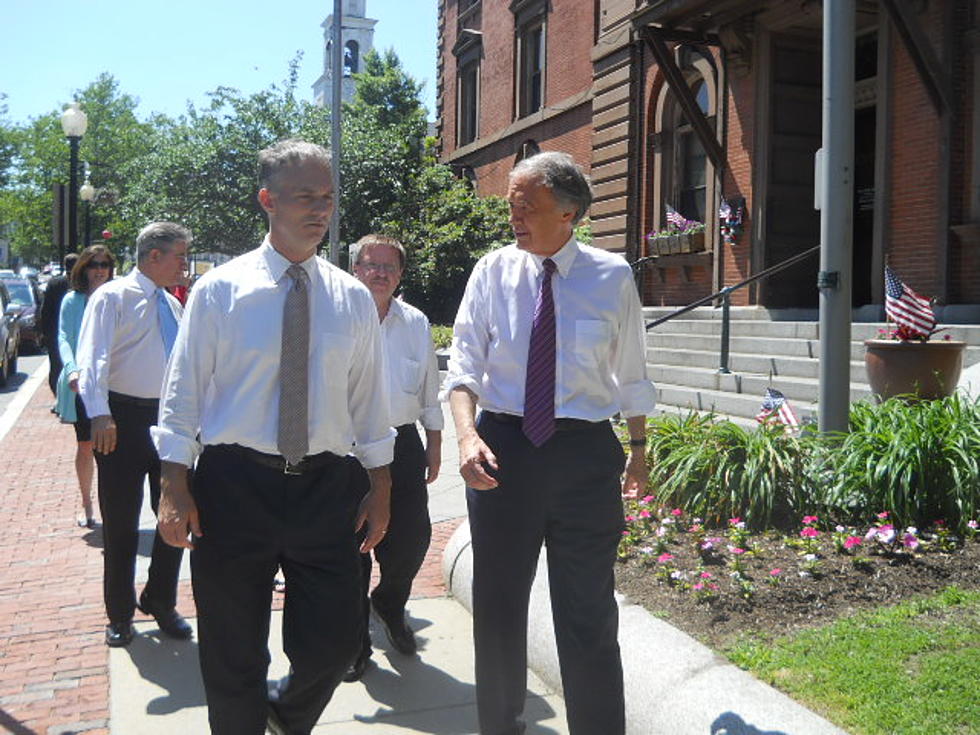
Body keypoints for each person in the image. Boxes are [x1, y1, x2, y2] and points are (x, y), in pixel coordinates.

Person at [152, 139, 394, 735]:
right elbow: (183, 390)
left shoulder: (351, 298)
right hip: (234, 487)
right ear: (267, 200)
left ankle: (286, 718)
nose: (321, 209)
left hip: (327, 490)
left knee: (335, 646)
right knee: (232, 655)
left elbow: (369, 401)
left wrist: (381, 485)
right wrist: (172, 481)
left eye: (329, 197)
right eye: (305, 196)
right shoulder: (219, 291)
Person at [444, 151, 656, 735]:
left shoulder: (612, 277)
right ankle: (499, 725)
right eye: (511, 203)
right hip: (502, 451)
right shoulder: (492, 271)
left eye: (526, 204)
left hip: (585, 455)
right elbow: (462, 366)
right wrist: (466, 437)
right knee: (499, 605)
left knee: (588, 609)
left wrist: (639, 451)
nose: (514, 214)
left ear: (569, 212)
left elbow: (633, 370)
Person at [76, 222, 192, 648]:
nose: (184, 264)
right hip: (120, 421)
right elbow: (93, 359)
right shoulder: (113, 297)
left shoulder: (173, 306)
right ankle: (120, 613)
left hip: (167, 422)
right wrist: (101, 415)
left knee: (174, 515)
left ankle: (160, 600)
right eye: (180, 255)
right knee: (122, 524)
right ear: (154, 256)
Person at [345, 234, 443, 682]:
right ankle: (354, 644)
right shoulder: (337, 318)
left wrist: (436, 442)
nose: (380, 273)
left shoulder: (416, 322)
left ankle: (388, 602)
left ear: (401, 274)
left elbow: (428, 389)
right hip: (345, 447)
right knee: (349, 548)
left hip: (401, 443)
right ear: (355, 269)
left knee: (411, 540)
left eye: (389, 267)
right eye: (371, 264)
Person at [55, 245, 114, 528]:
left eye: (104, 264)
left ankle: (110, 508)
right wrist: (72, 370)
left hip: (112, 383)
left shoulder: (117, 297)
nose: (99, 270)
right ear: (83, 268)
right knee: (86, 445)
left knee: (111, 449)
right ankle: (87, 503)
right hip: (82, 383)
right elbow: (64, 338)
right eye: (93, 264)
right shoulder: (73, 300)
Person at [41, 252, 79, 397]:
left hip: (55, 334)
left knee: (56, 367)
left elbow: (45, 311)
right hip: (74, 333)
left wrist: (45, 333)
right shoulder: (83, 284)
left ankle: (59, 398)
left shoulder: (54, 283)